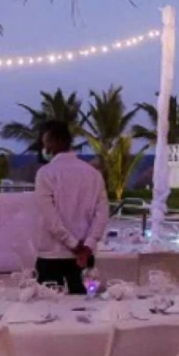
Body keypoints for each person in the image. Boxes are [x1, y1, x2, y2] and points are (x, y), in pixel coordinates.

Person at [33, 120, 107, 293]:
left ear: (53, 142)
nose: (45, 149)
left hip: (52, 256)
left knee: (49, 312)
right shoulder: (93, 174)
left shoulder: (46, 173)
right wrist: (87, 246)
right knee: (85, 310)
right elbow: (102, 214)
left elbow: (49, 218)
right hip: (85, 258)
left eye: (46, 144)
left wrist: (75, 245)